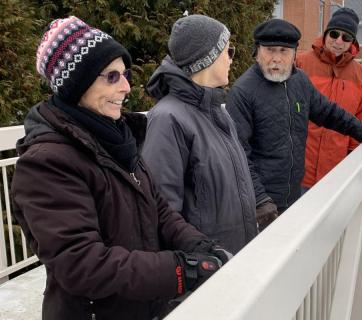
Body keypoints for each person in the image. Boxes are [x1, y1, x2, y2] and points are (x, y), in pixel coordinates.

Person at [11, 16, 230, 320]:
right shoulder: (46, 164)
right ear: (77, 85)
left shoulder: (118, 139)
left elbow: (159, 210)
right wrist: (181, 270)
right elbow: (83, 263)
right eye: (111, 77)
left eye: (125, 74)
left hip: (142, 307)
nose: (127, 86)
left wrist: (199, 245)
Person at [226, 18, 362, 223]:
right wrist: (259, 198)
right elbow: (238, 153)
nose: (276, 59)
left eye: (284, 51)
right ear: (257, 52)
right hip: (260, 206)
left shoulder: (300, 81)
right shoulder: (243, 91)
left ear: (294, 53)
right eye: (270, 50)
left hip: (293, 197)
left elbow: (330, 113)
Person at [142, 15, 258, 245]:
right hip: (204, 270)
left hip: (234, 260)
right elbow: (162, 211)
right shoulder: (167, 119)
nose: (231, 59)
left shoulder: (218, 112)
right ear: (208, 58)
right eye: (228, 51)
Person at [296, 8, 362, 190]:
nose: (339, 41)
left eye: (346, 37)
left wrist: (354, 160)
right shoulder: (300, 63)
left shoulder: (359, 73)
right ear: (325, 34)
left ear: (352, 42)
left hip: (335, 174)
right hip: (298, 171)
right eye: (334, 34)